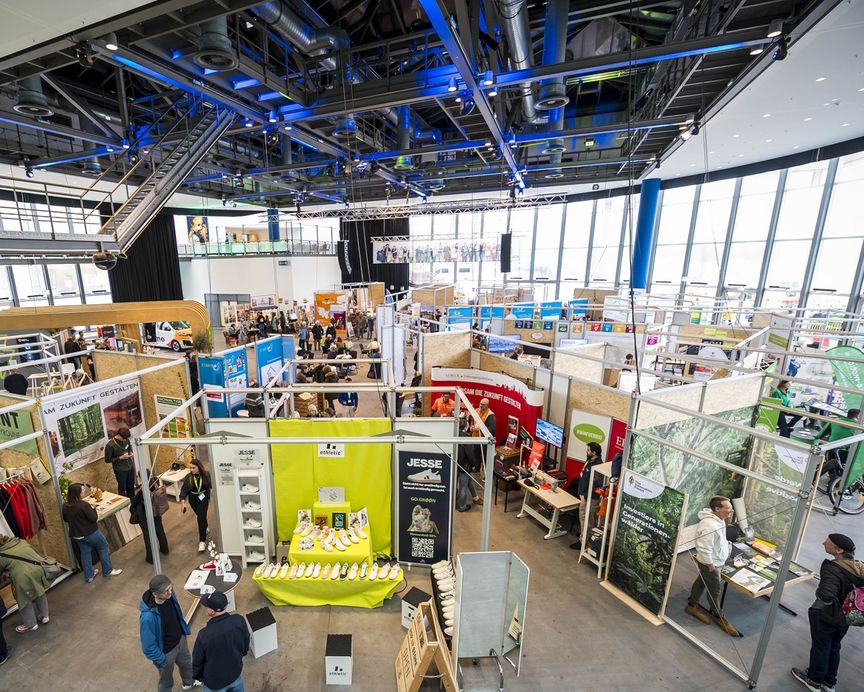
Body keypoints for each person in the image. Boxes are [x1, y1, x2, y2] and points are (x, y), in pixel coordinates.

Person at [791, 533, 864, 692]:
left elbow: (826, 594)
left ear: (838, 550)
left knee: (821, 646)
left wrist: (824, 599)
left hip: (826, 615)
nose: (824, 542)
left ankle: (814, 680)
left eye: (828, 542)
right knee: (834, 646)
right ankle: (829, 682)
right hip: (847, 616)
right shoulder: (858, 567)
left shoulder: (833, 568)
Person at [685, 496, 740, 636]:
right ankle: (718, 616)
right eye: (728, 508)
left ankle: (692, 605)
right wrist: (710, 565)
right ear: (717, 509)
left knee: (701, 582)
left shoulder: (719, 520)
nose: (731, 510)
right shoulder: (709, 525)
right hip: (711, 564)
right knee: (714, 591)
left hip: (716, 561)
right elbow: (704, 548)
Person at [139, 574, 200, 691]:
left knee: (186, 663)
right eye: (166, 591)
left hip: (180, 640)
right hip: (166, 652)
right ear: (155, 594)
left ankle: (189, 682)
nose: (170, 592)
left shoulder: (170, 595)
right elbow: (148, 646)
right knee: (165, 679)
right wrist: (161, 660)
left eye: (171, 588)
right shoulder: (148, 618)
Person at [61, 483, 123, 582]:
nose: (84, 491)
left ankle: (89, 576)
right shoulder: (84, 505)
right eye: (82, 490)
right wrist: (93, 509)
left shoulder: (65, 506)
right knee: (103, 547)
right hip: (90, 533)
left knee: (85, 553)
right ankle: (108, 570)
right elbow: (93, 518)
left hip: (76, 535)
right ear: (77, 493)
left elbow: (66, 519)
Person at [192, 591, 250, 692]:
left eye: (207, 606)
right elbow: (246, 642)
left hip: (214, 683)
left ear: (212, 612)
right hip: (235, 674)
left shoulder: (204, 635)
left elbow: (197, 661)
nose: (205, 608)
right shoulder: (239, 620)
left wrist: (198, 677)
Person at [0, 534, 49, 633]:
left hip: (22, 577)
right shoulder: (20, 542)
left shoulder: (1, 555)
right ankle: (44, 615)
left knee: (23, 599)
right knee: (39, 592)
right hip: (38, 570)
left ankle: (30, 624)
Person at [569, 442, 603, 549]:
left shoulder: (598, 466)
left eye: (588, 450)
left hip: (590, 498)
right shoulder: (590, 461)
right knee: (583, 518)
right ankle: (583, 535)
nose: (586, 451)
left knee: (587, 519)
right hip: (584, 495)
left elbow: (596, 485)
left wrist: (587, 498)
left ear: (594, 453)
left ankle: (583, 542)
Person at [131, 474, 170, 564]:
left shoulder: (143, 491)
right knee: (160, 530)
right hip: (156, 512)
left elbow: (134, 503)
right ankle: (165, 549)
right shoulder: (156, 485)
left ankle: (151, 557)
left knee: (148, 536)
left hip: (145, 515)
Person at [179, 459, 211, 553]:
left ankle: (202, 541)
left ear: (199, 467)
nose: (192, 469)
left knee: (200, 518)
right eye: (190, 468)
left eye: (194, 467)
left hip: (203, 497)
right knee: (201, 516)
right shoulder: (188, 477)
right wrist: (183, 503)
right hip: (193, 499)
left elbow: (210, 485)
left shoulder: (206, 475)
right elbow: (184, 490)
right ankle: (205, 526)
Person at [817, 408, 859, 477]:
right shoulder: (858, 427)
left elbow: (822, 432)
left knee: (830, 464)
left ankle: (831, 476)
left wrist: (816, 437)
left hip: (831, 447)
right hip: (844, 451)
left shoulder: (836, 421)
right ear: (857, 417)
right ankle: (836, 479)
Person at [456, 421, 482, 511]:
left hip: (455, 464)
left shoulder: (454, 434)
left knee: (469, 481)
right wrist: (474, 465)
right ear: (466, 428)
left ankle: (475, 497)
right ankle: (462, 506)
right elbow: (470, 455)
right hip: (465, 466)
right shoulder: (467, 438)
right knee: (463, 487)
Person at [104, 426, 136, 499]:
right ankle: (124, 504)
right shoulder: (110, 445)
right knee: (122, 488)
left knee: (131, 485)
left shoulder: (126, 440)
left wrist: (131, 452)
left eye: (125, 438)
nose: (124, 440)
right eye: (123, 438)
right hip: (120, 470)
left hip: (130, 467)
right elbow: (107, 460)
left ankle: (133, 502)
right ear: (118, 435)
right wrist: (120, 458)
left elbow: (129, 448)